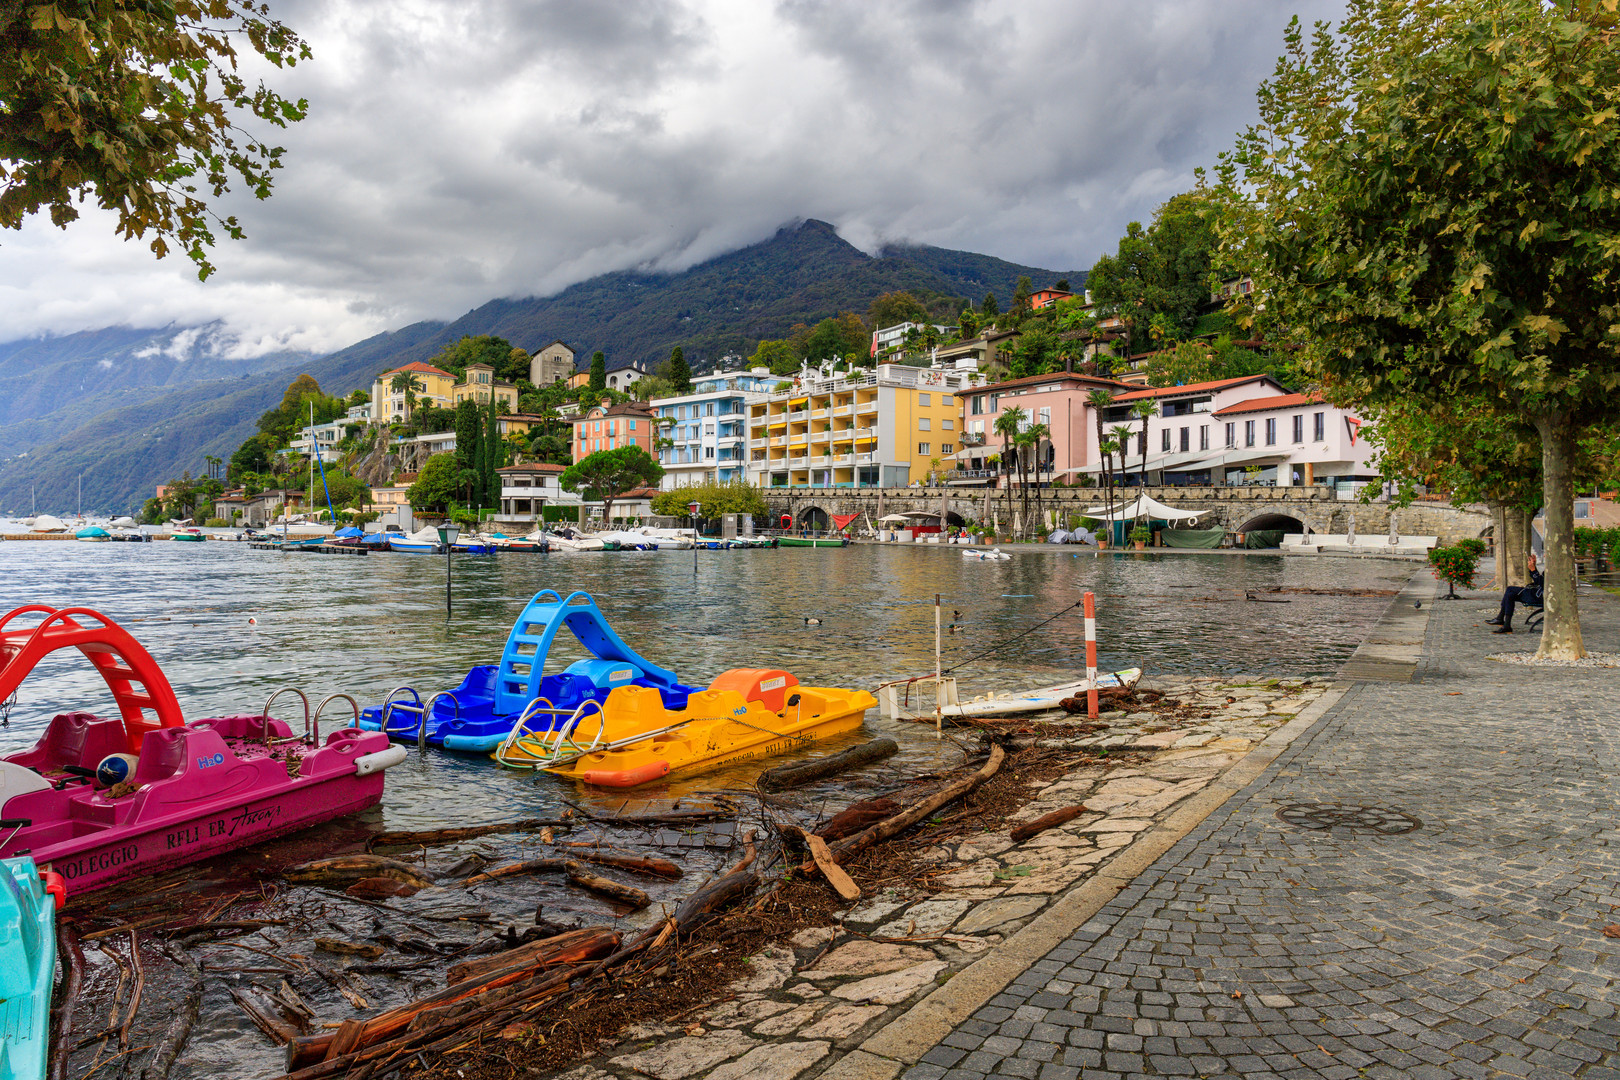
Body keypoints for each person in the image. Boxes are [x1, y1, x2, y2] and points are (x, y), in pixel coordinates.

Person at [1488, 553, 1543, 633]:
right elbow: (1541, 581)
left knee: (1510, 592)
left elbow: (1542, 583)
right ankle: (1503, 622)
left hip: (1540, 596)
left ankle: (1503, 622)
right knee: (1510, 592)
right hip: (1539, 593)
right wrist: (1533, 568)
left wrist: (1533, 570)